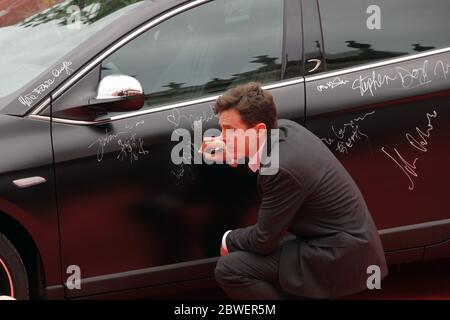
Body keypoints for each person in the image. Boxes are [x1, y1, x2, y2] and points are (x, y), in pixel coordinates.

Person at [199, 82, 388, 300]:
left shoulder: (283, 169)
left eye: (229, 130)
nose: (221, 137)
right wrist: (233, 153)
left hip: (340, 257)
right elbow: (265, 157)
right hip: (343, 243)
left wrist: (228, 239)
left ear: (259, 130)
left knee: (231, 268)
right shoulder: (285, 129)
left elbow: (263, 241)